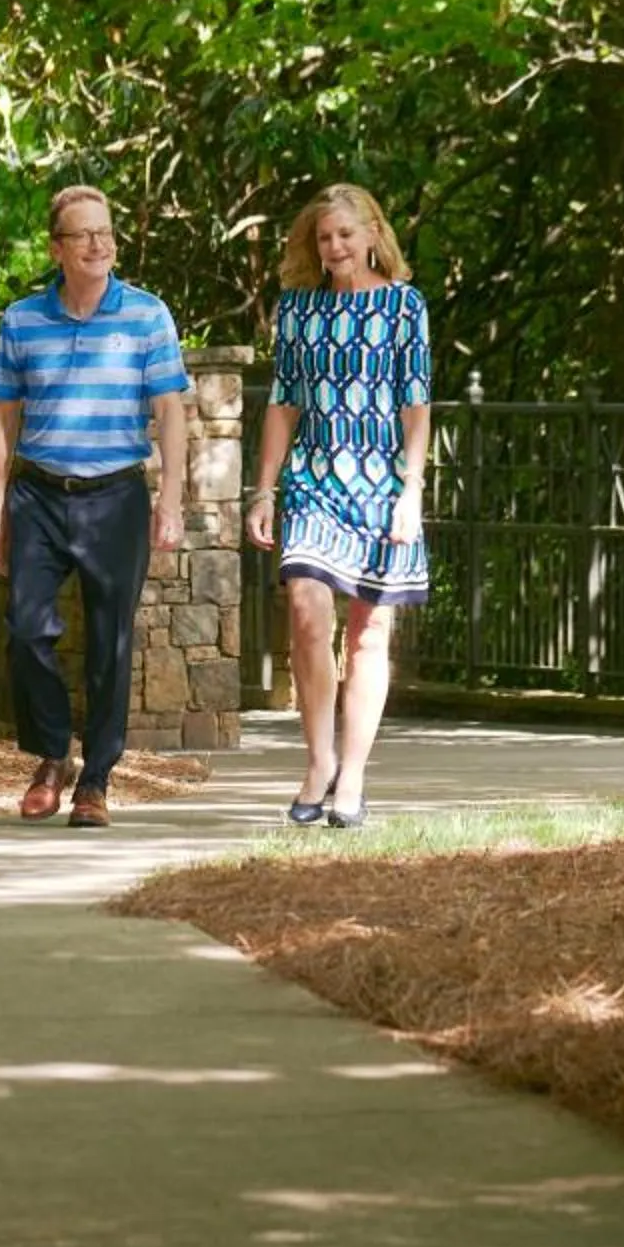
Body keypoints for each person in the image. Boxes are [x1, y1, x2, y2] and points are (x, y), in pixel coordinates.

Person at [0, 185, 191, 829]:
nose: (99, 245)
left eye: (106, 233)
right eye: (84, 235)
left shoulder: (147, 316)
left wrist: (172, 498)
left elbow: (171, 413)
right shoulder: (23, 319)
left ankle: (95, 780)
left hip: (117, 495)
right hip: (39, 493)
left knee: (110, 644)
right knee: (27, 630)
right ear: (57, 249)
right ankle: (51, 755)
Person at [242, 185, 431, 830]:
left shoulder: (405, 307)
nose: (336, 247)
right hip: (315, 480)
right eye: (325, 238)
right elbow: (283, 404)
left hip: (381, 484)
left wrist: (412, 492)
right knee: (305, 609)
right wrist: (263, 489)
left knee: (369, 632)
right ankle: (318, 761)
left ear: (373, 235)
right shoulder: (298, 310)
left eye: (347, 235)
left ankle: (352, 775)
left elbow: (416, 407)